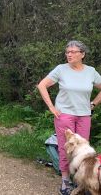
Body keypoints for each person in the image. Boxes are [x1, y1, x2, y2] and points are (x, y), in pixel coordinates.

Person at [37, 40, 101, 195]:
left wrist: (93, 104)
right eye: (67, 52)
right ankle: (65, 182)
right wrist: (52, 107)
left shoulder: (91, 71)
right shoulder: (61, 69)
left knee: (83, 151)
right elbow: (42, 85)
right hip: (64, 115)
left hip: (84, 115)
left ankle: (83, 181)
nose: (69, 54)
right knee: (66, 148)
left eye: (73, 52)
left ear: (82, 54)